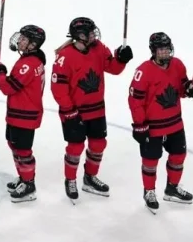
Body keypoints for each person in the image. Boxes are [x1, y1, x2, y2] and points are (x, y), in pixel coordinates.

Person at [51, 16, 133, 202]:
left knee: (98, 144)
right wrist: (69, 110)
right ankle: (70, 179)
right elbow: (58, 88)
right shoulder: (65, 57)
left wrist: (121, 59)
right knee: (76, 146)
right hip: (74, 112)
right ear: (80, 36)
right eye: (90, 32)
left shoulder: (99, 48)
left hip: (96, 109)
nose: (94, 35)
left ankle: (89, 177)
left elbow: (112, 68)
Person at [128, 32, 193, 212]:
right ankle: (149, 191)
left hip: (175, 123)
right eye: (161, 50)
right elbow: (135, 101)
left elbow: (181, 89)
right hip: (153, 126)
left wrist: (189, 88)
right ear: (153, 51)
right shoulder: (143, 71)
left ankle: (172, 188)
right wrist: (139, 125)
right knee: (150, 161)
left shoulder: (178, 65)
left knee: (178, 156)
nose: (165, 53)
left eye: (167, 49)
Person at [0, 25, 47, 202]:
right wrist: (0, 81)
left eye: (24, 39)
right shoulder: (29, 60)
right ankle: (23, 177)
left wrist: (0, 74)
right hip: (18, 113)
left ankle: (29, 185)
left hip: (25, 116)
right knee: (14, 145)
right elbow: (16, 85)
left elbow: (9, 88)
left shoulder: (28, 64)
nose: (19, 40)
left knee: (23, 150)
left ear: (33, 44)